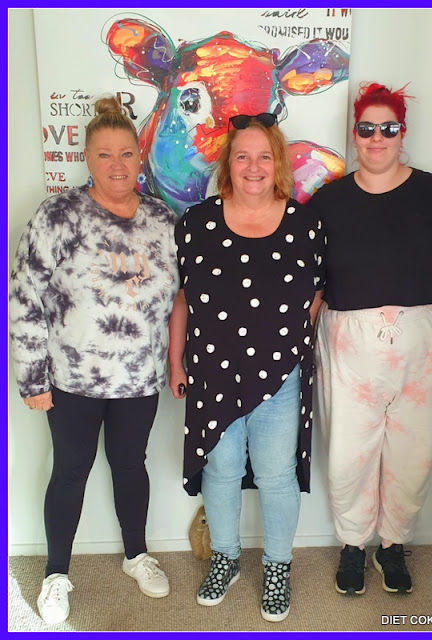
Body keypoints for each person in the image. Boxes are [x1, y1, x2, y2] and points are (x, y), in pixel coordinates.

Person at [9, 97, 179, 624]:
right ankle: (56, 574)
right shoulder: (59, 214)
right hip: (72, 380)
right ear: (87, 158)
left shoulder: (162, 220)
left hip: (139, 379)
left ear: (139, 156)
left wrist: (177, 363)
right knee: (70, 471)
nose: (117, 165)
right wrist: (31, 377)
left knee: (131, 466)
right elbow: (24, 294)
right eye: (104, 154)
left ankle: (136, 555)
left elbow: (181, 297)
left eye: (126, 153)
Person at [308, 82, 432, 596]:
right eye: (367, 128)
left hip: (424, 348)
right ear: (354, 134)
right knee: (348, 454)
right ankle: (353, 545)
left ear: (403, 133)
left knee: (412, 455)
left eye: (388, 128)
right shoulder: (328, 201)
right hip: (348, 347)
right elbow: (314, 283)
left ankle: (393, 544)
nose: (377, 137)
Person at [168, 113, 325, 622]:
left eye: (263, 156)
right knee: (222, 470)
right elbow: (183, 299)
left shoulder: (304, 224)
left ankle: (278, 567)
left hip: (279, 377)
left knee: (277, 475)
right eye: (242, 156)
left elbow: (317, 294)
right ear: (228, 164)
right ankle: (226, 557)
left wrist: (286, 344)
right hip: (212, 372)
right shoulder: (196, 223)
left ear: (277, 162)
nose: (253, 167)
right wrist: (175, 361)